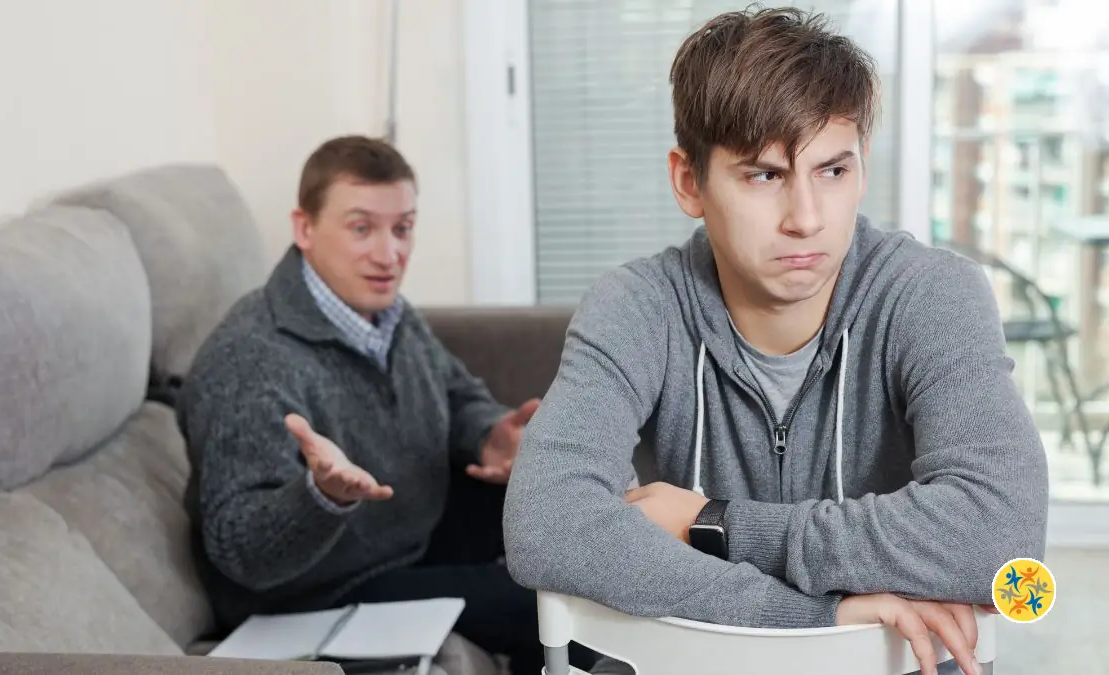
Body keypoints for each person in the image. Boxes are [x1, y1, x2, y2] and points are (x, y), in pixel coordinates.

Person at [502, 7, 1048, 675]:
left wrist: (713, 522)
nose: (806, 219)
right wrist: (814, 618)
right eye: (765, 175)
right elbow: (548, 521)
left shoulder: (932, 293)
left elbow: (1002, 534)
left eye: (832, 171)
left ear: (862, 170)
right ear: (689, 182)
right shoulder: (637, 306)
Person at [177, 135, 594, 675]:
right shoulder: (250, 360)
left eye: (402, 228)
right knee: (539, 604)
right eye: (361, 229)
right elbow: (241, 551)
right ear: (304, 228)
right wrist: (320, 496)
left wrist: (488, 435)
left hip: (401, 531)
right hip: (318, 587)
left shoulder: (386, 314)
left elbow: (456, 392)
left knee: (568, 503)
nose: (388, 254)